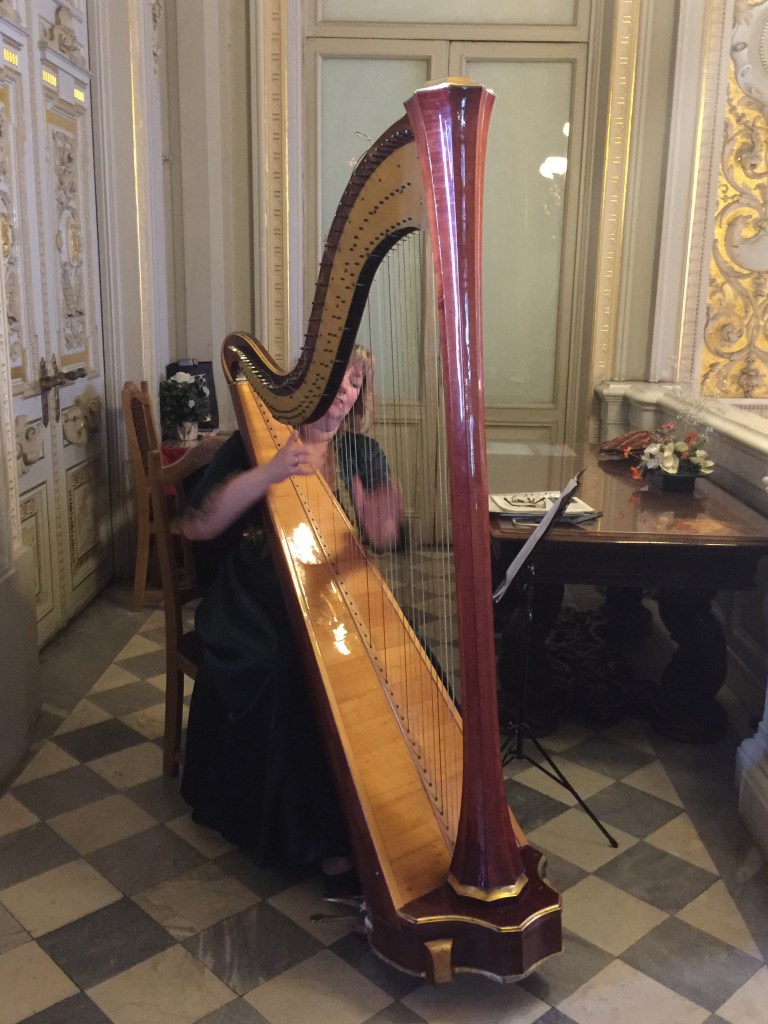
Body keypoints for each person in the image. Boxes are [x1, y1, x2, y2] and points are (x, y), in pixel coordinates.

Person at [179, 346, 403, 891]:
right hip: (256, 597)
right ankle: (315, 836)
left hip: (334, 599)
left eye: (356, 383)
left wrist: (382, 522)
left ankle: (388, 813)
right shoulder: (255, 442)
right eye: (338, 380)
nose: (346, 392)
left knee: (399, 661)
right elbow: (197, 526)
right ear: (310, 385)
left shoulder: (361, 453)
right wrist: (270, 472)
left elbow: (386, 534)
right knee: (285, 669)